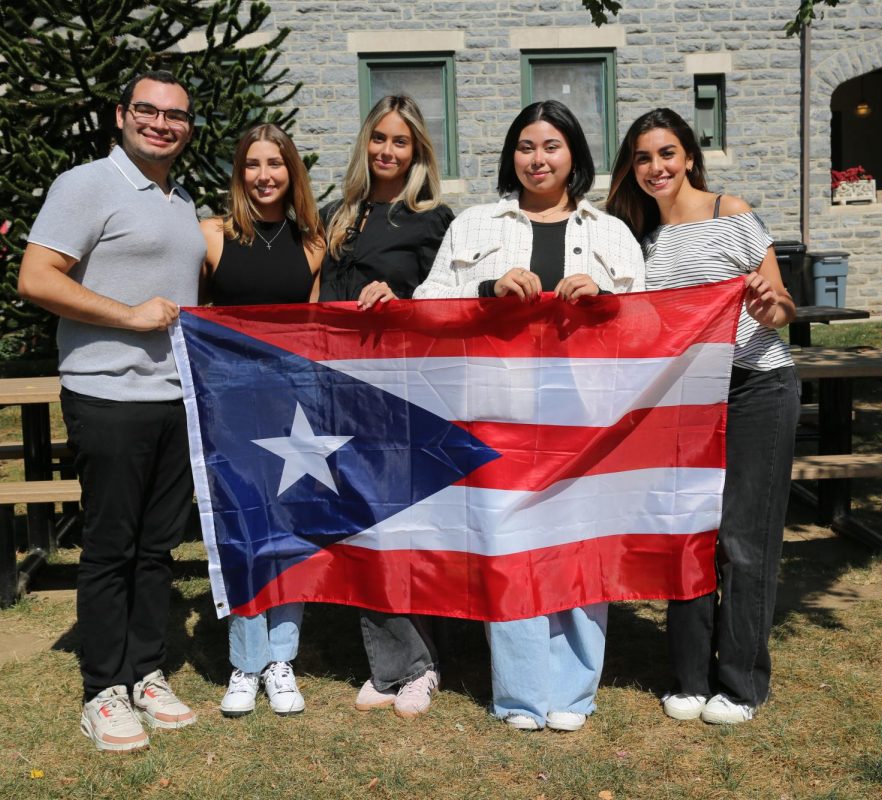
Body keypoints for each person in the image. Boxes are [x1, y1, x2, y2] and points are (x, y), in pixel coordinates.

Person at [415, 100, 643, 732]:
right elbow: (428, 303)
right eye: (525, 146)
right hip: (501, 409)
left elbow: (648, 325)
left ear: (574, 157)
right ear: (510, 155)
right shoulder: (473, 225)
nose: (537, 159)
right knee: (511, 548)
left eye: (551, 147)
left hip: (586, 415)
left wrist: (606, 302)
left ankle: (573, 691)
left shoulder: (610, 234)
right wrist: (485, 292)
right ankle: (519, 693)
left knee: (578, 549)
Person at [18, 71, 202, 752]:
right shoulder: (86, 184)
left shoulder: (180, 200)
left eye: (176, 115)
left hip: (174, 397)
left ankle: (146, 670)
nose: (161, 123)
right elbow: (36, 277)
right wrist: (129, 317)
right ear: (121, 115)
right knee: (110, 545)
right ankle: (103, 689)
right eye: (147, 111)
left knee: (157, 547)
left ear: (188, 127)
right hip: (108, 396)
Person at [606, 108, 799, 725]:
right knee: (686, 532)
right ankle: (688, 677)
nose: (656, 167)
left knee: (745, 540)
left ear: (689, 155)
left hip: (755, 388)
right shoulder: (638, 237)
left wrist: (771, 307)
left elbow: (781, 304)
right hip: (684, 399)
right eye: (642, 157)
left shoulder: (732, 212)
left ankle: (740, 683)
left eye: (666, 153)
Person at [320, 94, 455, 718]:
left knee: (403, 527)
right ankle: (391, 665)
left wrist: (399, 298)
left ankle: (422, 663)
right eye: (379, 139)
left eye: (401, 142)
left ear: (418, 150)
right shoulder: (336, 215)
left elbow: (446, 306)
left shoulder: (434, 220)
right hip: (339, 390)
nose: (388, 151)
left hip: (404, 390)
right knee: (361, 526)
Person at [199, 123, 325, 717]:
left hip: (294, 410)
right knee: (242, 532)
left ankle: (283, 658)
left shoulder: (314, 243)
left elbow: (322, 332)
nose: (264, 175)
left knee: (289, 535)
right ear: (239, 172)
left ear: (291, 171)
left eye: (275, 163)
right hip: (230, 407)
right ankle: (245, 663)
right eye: (252, 163)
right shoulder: (212, 237)